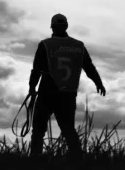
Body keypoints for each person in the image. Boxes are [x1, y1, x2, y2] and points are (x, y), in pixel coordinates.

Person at [28, 13, 106, 160]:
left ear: (52, 27)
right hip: (68, 94)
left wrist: (32, 88)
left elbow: (36, 69)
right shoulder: (78, 46)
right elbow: (89, 67)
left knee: (38, 128)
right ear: (66, 26)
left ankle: (35, 159)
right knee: (68, 129)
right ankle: (78, 159)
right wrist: (98, 82)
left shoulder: (45, 44)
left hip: (47, 91)